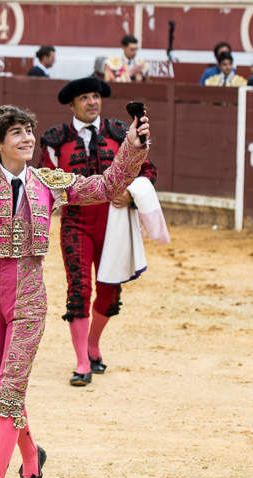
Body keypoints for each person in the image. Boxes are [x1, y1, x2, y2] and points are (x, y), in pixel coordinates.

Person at [0, 104, 151, 478]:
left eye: (29, 132)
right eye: (16, 133)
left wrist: (133, 145)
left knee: (9, 390)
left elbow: (106, 186)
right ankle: (32, 456)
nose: (27, 139)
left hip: (30, 296)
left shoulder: (48, 183)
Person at [39, 77, 160, 386]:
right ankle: (82, 362)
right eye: (84, 98)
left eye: (96, 96)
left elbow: (147, 170)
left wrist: (131, 193)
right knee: (78, 290)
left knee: (109, 292)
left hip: (115, 221)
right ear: (72, 104)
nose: (92, 102)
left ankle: (92, 344)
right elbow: (46, 178)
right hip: (76, 222)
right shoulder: (55, 140)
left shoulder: (121, 133)